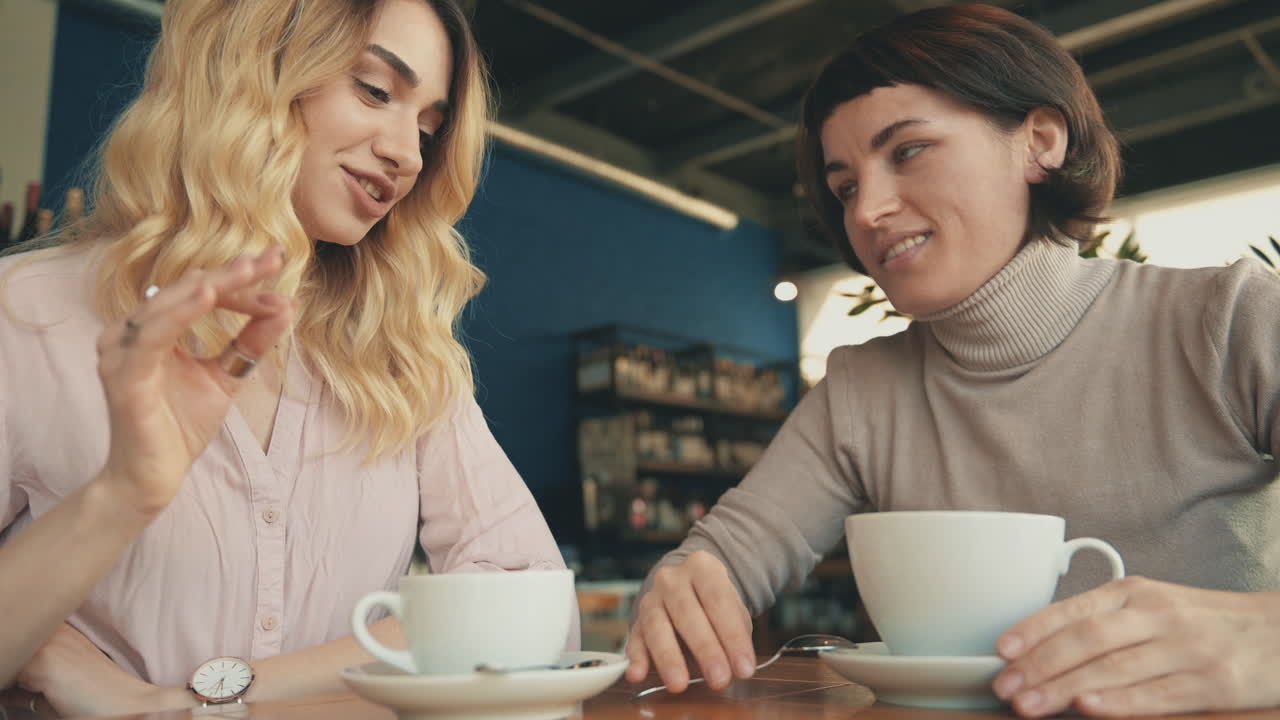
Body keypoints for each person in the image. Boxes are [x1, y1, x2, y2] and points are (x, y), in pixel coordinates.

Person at [624, 4, 1280, 717]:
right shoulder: (860, 391)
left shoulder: (1231, 319)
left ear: (1039, 141)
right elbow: (724, 557)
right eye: (844, 187)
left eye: (908, 151)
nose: (867, 210)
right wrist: (687, 584)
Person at [0, 0, 576, 716]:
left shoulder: (402, 358)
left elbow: (533, 616)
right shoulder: (24, 313)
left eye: (428, 128)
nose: (407, 154)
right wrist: (120, 495)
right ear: (256, 68)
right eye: (375, 90)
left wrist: (187, 706)